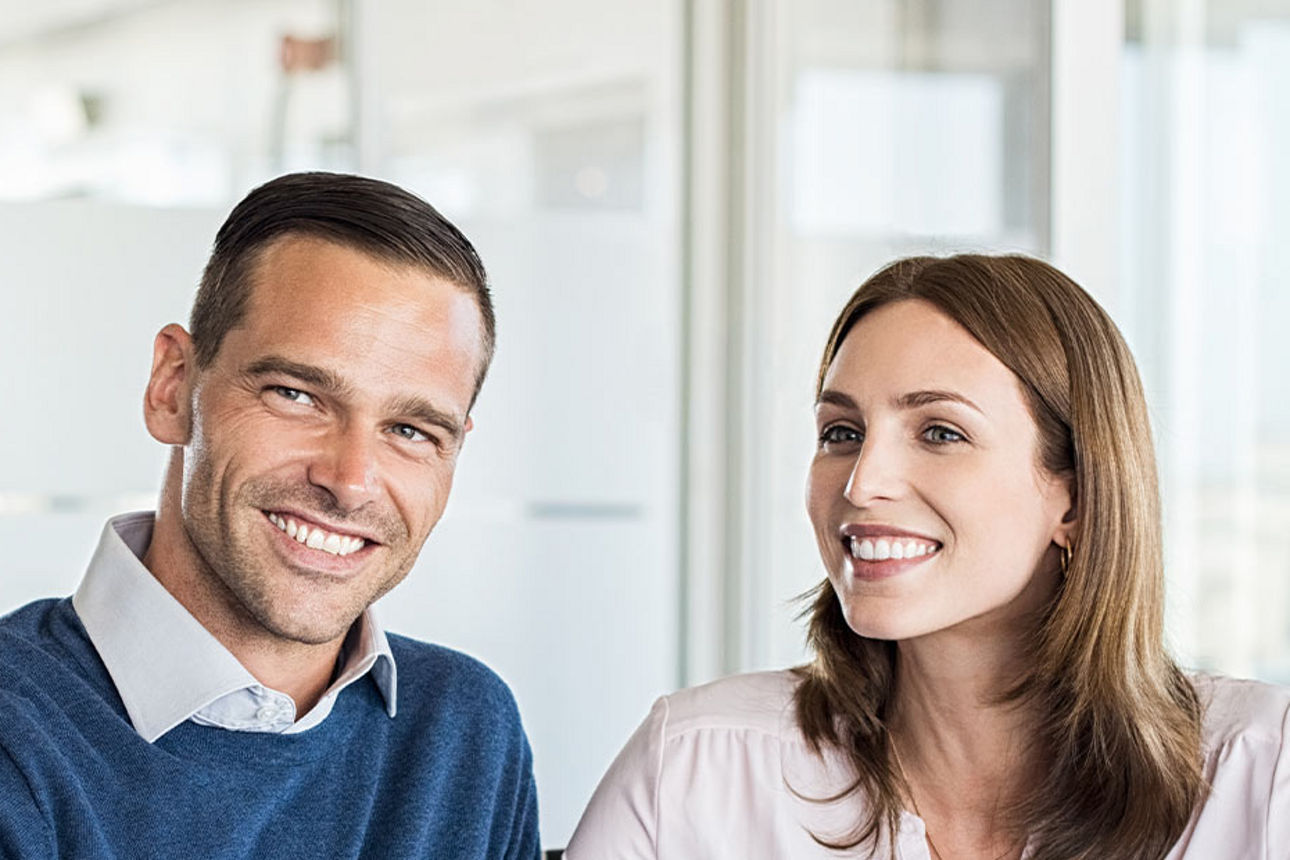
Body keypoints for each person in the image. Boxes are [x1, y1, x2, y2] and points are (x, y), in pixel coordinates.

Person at [566, 254, 1290, 859]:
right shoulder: (696, 770)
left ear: (1074, 499)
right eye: (841, 432)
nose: (862, 481)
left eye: (940, 432)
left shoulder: (1264, 775)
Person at [0, 172, 540, 859]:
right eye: (296, 394)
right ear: (173, 387)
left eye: (410, 430)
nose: (350, 481)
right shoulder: (16, 739)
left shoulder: (465, 732)